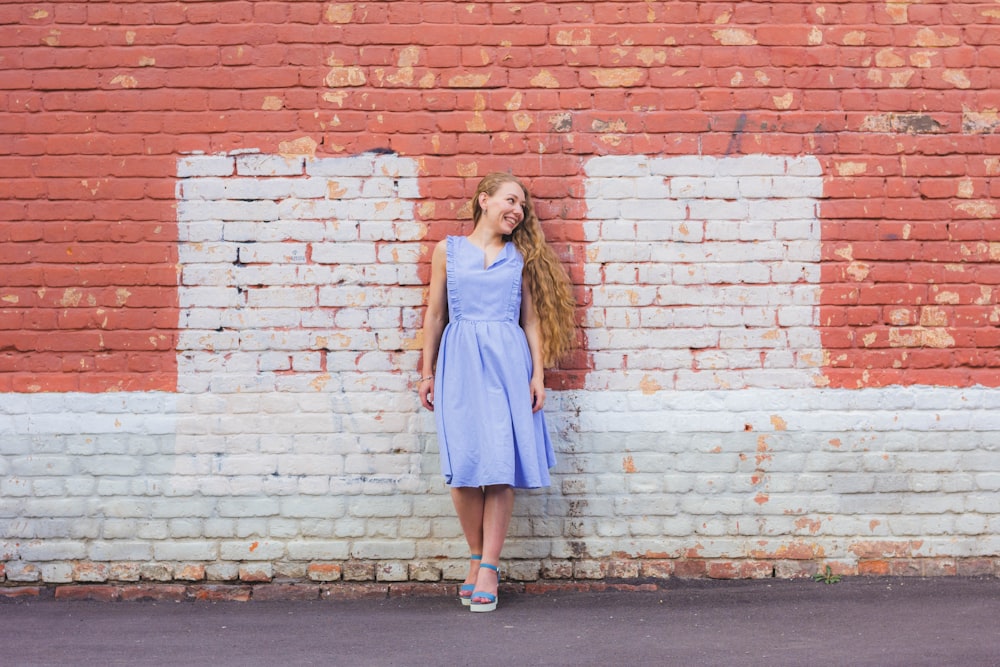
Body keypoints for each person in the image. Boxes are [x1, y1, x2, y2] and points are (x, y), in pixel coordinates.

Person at [418, 172, 576, 613]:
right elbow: (434, 316)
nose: (518, 211)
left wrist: (538, 376)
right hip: (460, 362)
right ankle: (474, 555)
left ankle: (489, 566)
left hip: (508, 364)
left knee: (500, 462)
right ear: (483, 200)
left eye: (522, 206)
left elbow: (530, 321)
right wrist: (426, 372)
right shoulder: (446, 252)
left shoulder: (519, 257)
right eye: (511, 200)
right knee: (464, 464)